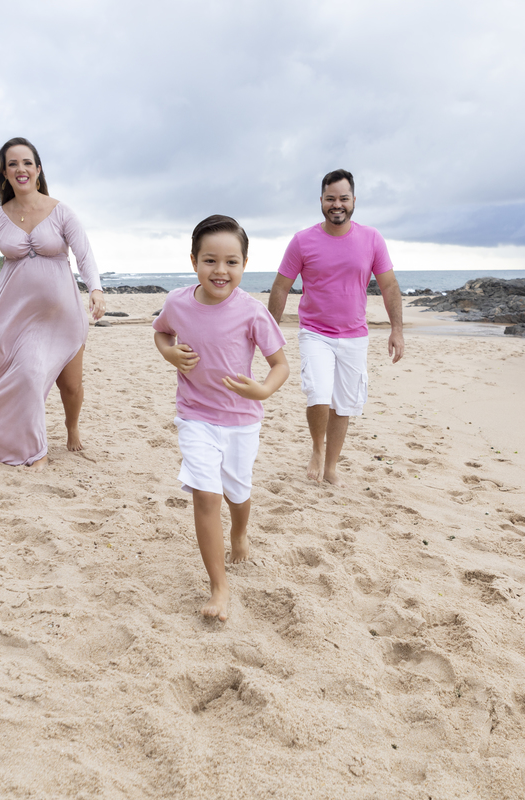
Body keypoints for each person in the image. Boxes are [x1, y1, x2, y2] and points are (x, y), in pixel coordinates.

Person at [0, 137, 106, 468]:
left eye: (27, 162)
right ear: (4, 174)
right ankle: (34, 450)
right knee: (27, 375)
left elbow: (84, 255)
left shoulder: (61, 212)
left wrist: (95, 289)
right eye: (12, 164)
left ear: (38, 169)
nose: (21, 169)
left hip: (62, 318)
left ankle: (72, 429)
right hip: (14, 318)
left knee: (70, 386)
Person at [154, 215, 289, 621]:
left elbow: (279, 364)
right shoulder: (178, 302)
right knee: (205, 495)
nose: (221, 271)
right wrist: (168, 352)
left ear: (244, 265)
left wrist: (263, 390)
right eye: (210, 260)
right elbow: (162, 332)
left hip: (242, 419)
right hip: (195, 414)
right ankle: (219, 587)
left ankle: (240, 532)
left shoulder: (251, 311)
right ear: (194, 260)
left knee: (237, 493)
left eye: (231, 262)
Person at [268, 169, 404, 486]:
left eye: (343, 198)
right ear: (321, 201)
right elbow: (279, 287)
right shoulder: (303, 241)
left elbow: (389, 286)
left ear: (353, 201)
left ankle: (330, 469)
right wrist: (269, 329)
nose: (337, 204)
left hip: (355, 336)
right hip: (315, 332)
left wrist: (397, 329)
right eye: (331, 198)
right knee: (318, 392)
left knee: (343, 405)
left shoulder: (372, 239)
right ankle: (317, 449)